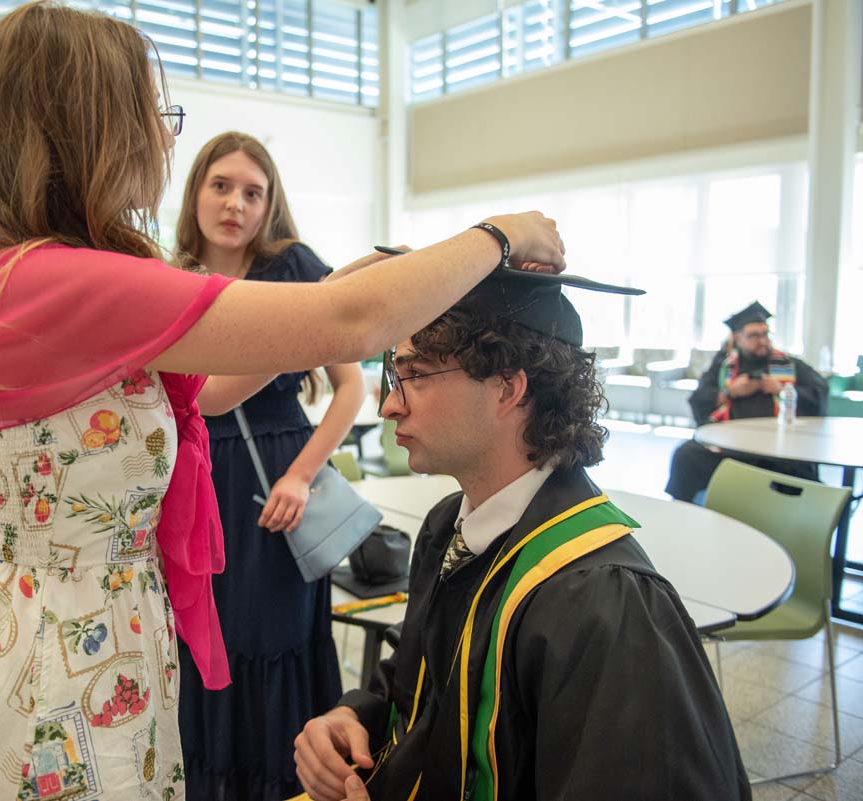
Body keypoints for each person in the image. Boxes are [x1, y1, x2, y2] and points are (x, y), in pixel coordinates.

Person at [0, 4, 565, 800]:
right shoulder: (57, 279)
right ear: (89, 124)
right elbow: (350, 324)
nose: (165, 138)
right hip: (47, 671)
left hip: (79, 636)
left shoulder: (33, 275)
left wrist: (340, 282)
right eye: (153, 113)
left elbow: (218, 381)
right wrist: (499, 234)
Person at [294, 269, 750, 801]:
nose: (390, 405)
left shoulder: (602, 599)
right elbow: (420, 679)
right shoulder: (449, 526)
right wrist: (354, 716)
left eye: (414, 376)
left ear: (507, 388)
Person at [171, 132, 364, 800]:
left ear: (270, 205)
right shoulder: (167, 279)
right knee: (209, 638)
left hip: (281, 472)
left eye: (254, 192)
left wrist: (302, 475)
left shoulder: (292, 267)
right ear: (195, 190)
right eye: (221, 185)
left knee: (275, 634)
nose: (235, 203)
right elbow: (194, 397)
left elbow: (351, 386)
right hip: (198, 481)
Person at [665, 300, 828, 503]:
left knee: (798, 469)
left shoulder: (789, 364)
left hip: (777, 449)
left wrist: (782, 389)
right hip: (731, 449)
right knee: (686, 455)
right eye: (753, 335)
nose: (762, 341)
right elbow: (699, 398)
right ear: (737, 338)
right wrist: (728, 392)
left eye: (765, 334)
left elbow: (820, 390)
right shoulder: (722, 366)